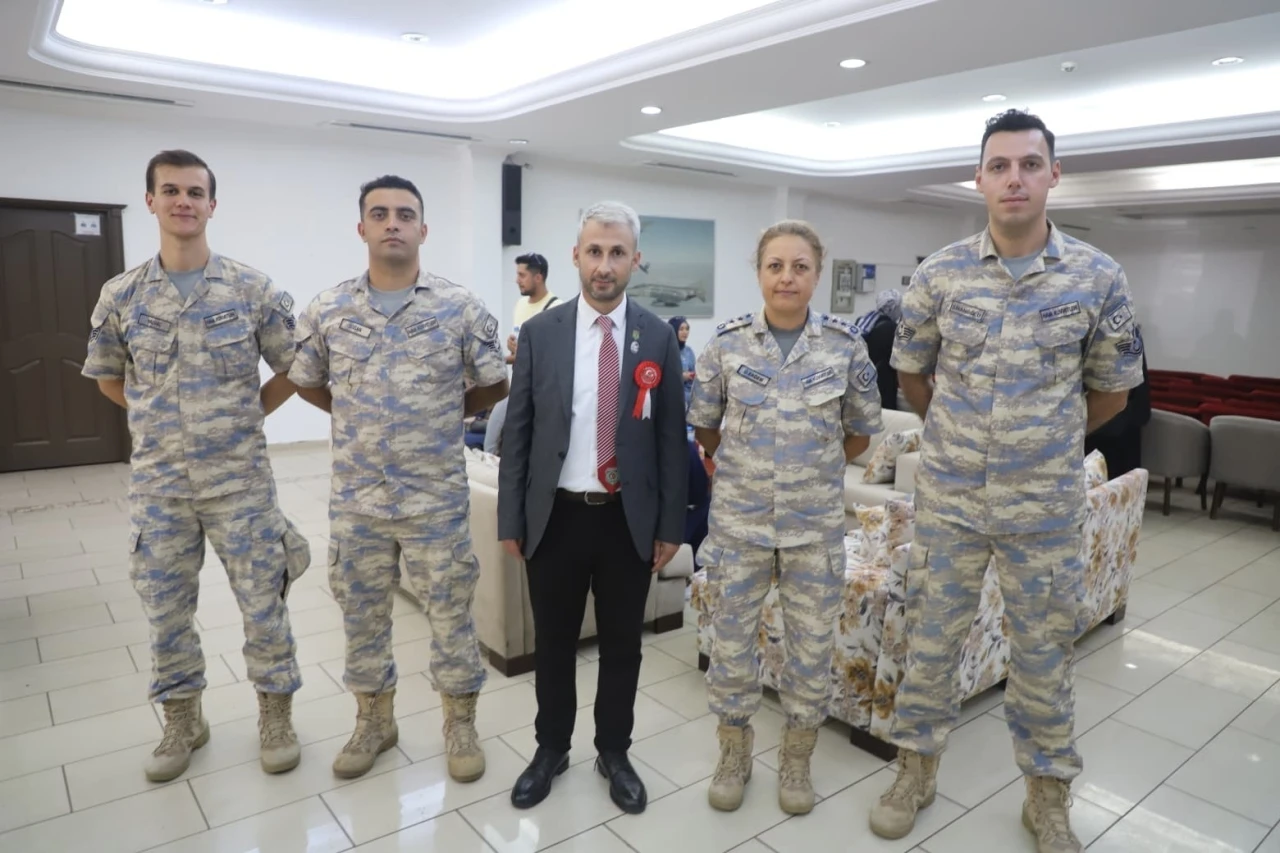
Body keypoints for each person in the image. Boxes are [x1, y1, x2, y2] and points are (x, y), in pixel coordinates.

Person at [869, 110, 1143, 853]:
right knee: (930, 643)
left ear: (1054, 174)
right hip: (950, 501)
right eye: (999, 165)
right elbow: (912, 377)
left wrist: (1043, 442)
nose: (1014, 178)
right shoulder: (941, 273)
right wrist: (964, 438)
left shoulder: (1097, 276)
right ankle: (914, 773)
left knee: (1045, 658)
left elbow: (1113, 393)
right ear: (979, 179)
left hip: (1044, 507)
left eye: (1029, 164)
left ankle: (1046, 798)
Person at [82, 149, 309, 783]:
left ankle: (276, 715)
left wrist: (245, 414)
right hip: (160, 487)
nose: (183, 201)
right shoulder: (121, 294)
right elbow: (106, 376)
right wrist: (155, 414)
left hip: (240, 484)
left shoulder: (251, 288)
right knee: (166, 610)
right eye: (171, 191)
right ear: (150, 201)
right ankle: (183, 719)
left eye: (195, 192)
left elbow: (294, 366)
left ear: (212, 204)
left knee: (264, 604)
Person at [289, 175, 510, 781]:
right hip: (357, 499)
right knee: (361, 615)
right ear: (361, 227)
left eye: (405, 214)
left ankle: (459, 723)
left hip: (433, 497)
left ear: (423, 229)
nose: (393, 223)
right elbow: (307, 381)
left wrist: (440, 415)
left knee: (451, 615)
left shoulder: (458, 307)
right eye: (380, 213)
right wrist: (354, 414)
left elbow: (494, 382)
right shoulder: (328, 309)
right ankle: (374, 722)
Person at [687, 220, 884, 816]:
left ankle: (797, 758)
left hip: (812, 531)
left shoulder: (845, 347)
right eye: (775, 265)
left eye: (800, 266)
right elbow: (706, 429)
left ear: (817, 275)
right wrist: (751, 472)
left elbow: (859, 434)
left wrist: (810, 472)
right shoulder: (726, 345)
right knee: (730, 647)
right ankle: (734, 752)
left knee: (810, 652)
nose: (786, 277)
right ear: (759, 273)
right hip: (739, 528)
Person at [497, 201, 687, 814]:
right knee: (554, 643)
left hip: (626, 521)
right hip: (554, 518)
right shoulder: (541, 333)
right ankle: (551, 748)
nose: (604, 265)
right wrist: (511, 519)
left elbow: (670, 441)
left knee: (623, 647)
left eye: (617, 253)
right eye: (595, 252)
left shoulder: (658, 336)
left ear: (635, 260)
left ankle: (614, 751)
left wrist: (670, 526)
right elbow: (519, 433)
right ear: (576, 256)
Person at [486, 253, 558, 454]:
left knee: (494, 438)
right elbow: (521, 350)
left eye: (522, 275)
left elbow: (554, 357)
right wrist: (512, 349)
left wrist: (517, 354)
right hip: (519, 385)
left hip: (540, 392)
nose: (517, 280)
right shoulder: (521, 305)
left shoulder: (556, 309)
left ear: (538, 277)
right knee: (494, 441)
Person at [1084, 337, 1150, 476]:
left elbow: (1117, 395)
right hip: (1114, 419)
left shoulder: (1115, 331)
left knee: (1113, 479)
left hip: (1113, 421)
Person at [863, 289, 903, 411]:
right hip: (882, 383)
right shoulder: (891, 328)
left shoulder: (865, 321)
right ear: (894, 308)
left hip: (863, 380)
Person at [668, 315, 696, 404]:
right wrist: (681, 377)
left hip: (689, 399)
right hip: (671, 398)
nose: (685, 332)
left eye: (687, 329)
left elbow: (694, 373)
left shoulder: (689, 351)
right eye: (681, 329)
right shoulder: (666, 351)